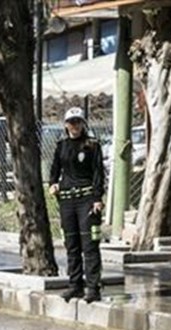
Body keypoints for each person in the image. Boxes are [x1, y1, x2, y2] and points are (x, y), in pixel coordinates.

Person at [48, 107, 106, 304]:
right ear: (66, 125)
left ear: (83, 124)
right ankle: (75, 285)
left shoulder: (92, 145)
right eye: (71, 122)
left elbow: (99, 173)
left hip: (86, 198)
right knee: (71, 245)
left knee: (89, 245)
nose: (75, 126)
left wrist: (97, 198)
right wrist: (53, 183)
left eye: (78, 122)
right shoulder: (61, 145)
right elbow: (54, 168)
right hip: (67, 199)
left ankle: (93, 287)